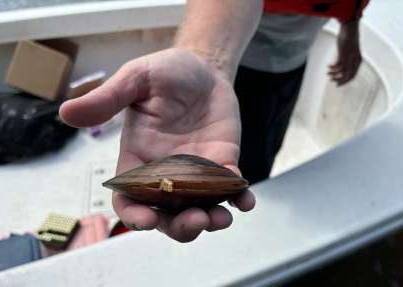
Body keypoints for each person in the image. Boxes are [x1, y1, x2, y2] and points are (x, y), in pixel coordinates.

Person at [60, 0, 369, 243]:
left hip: (296, 56)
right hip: (241, 60)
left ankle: (256, 198)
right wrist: (206, 58)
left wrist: (350, 24)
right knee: (245, 154)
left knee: (264, 145)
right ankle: (249, 208)